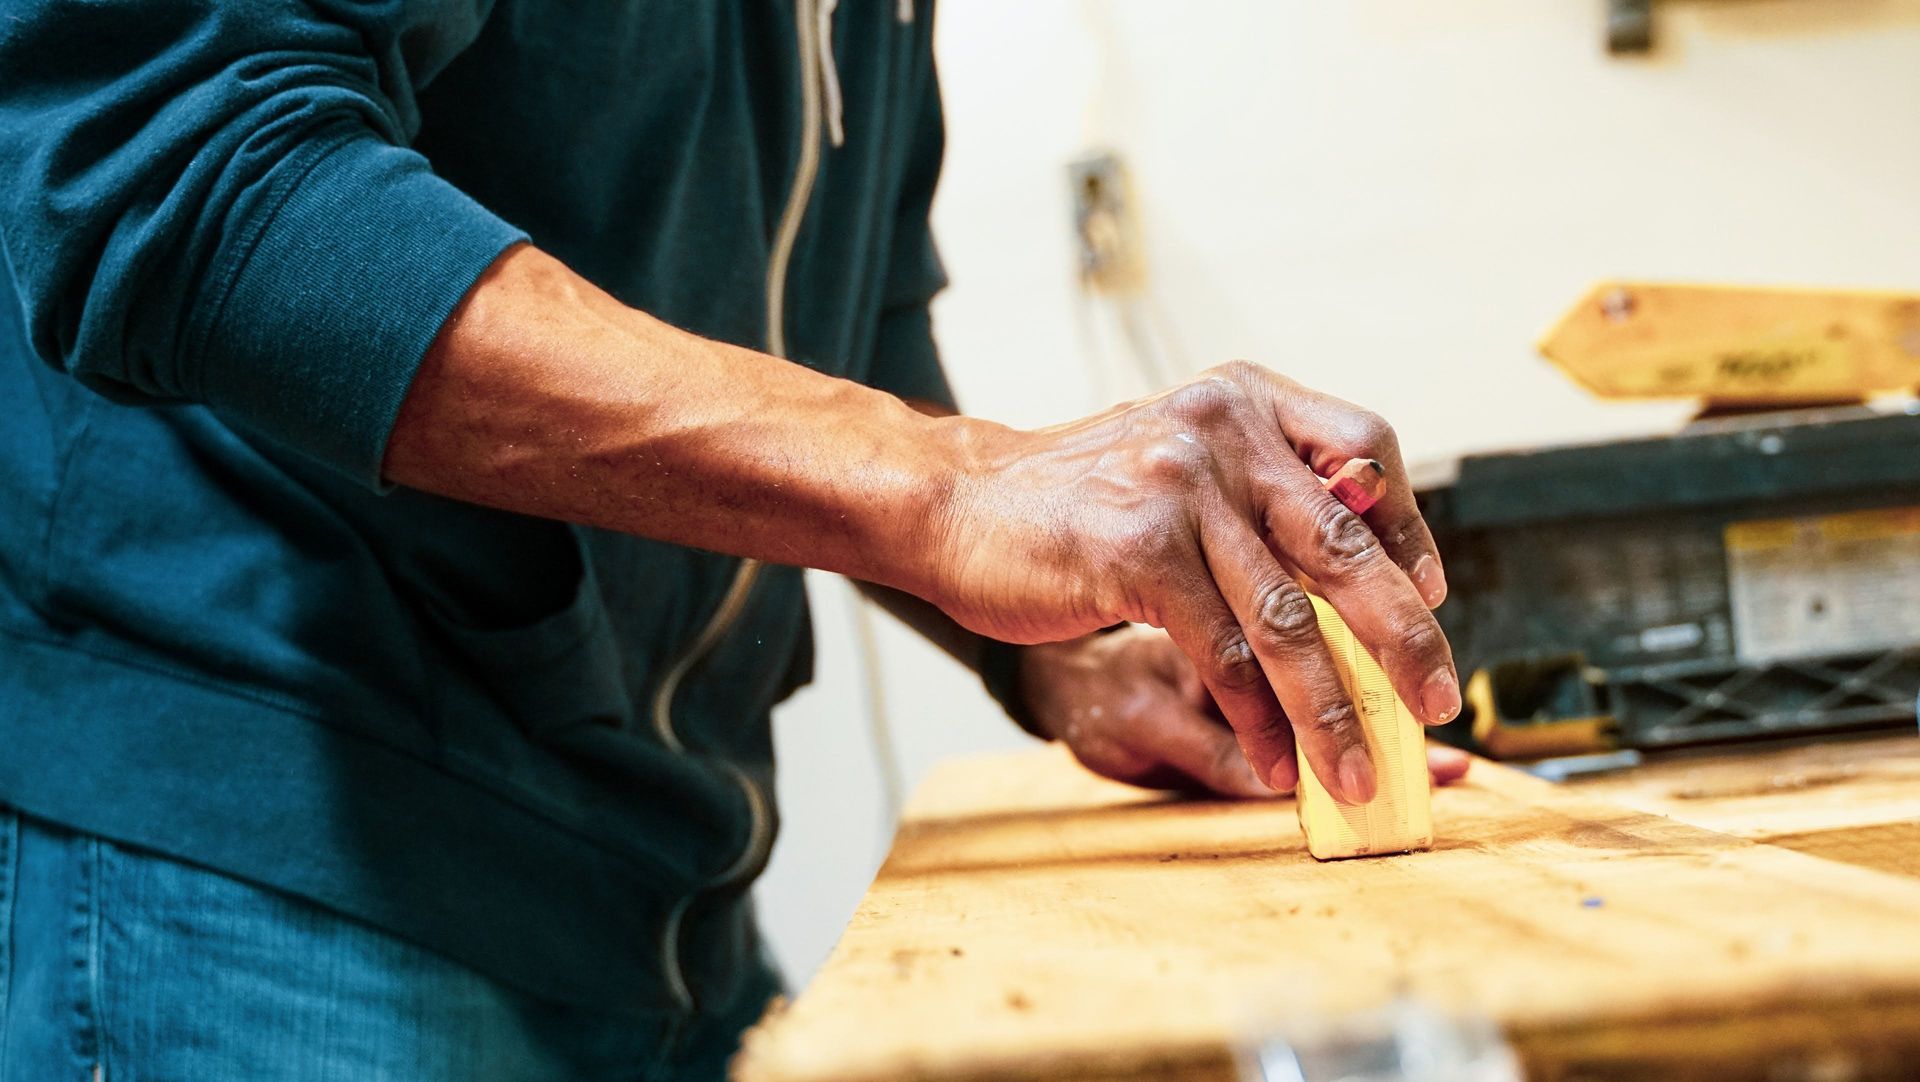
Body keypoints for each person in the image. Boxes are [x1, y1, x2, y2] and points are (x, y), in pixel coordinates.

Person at [0, 2, 1467, 1079]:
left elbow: (853, 320)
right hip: (280, 855)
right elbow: (179, 166)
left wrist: (1058, 652)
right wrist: (952, 486)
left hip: (667, 879)